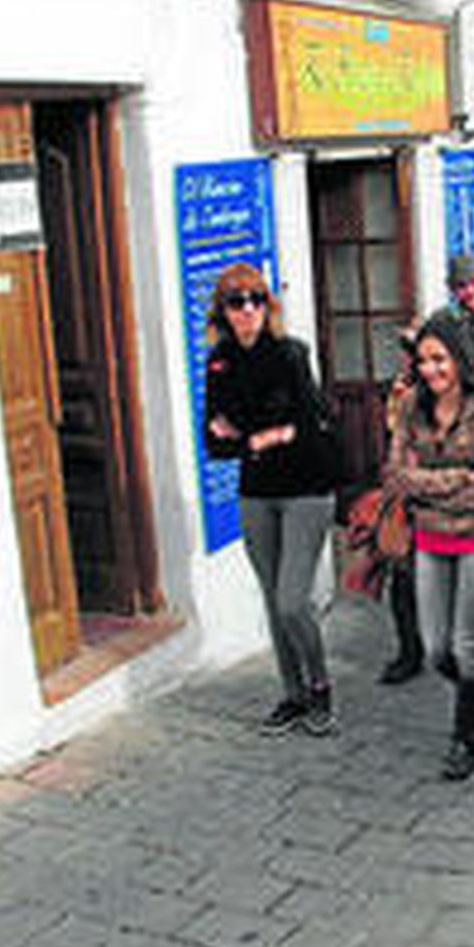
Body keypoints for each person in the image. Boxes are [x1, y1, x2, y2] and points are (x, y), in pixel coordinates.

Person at [204, 263, 342, 737]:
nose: (247, 310)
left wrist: (247, 434)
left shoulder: (289, 355)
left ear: (269, 305)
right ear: (222, 311)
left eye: (255, 299)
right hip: (257, 493)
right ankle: (293, 694)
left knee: (291, 601)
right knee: (272, 598)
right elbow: (215, 442)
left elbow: (308, 431)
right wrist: (262, 440)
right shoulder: (220, 362)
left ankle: (321, 686)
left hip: (307, 488)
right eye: (236, 302)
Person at [384, 313, 474, 780]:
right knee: (437, 648)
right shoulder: (412, 405)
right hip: (430, 538)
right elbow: (395, 475)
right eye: (423, 360)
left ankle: (467, 739)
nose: (431, 369)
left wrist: (428, 486)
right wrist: (457, 476)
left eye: (439, 358)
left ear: (459, 357)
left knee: (465, 641)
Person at [376, 323, 425, 685]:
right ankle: (410, 652)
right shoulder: (399, 389)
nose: (407, 358)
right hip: (404, 494)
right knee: (402, 579)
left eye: (413, 351)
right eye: (406, 351)